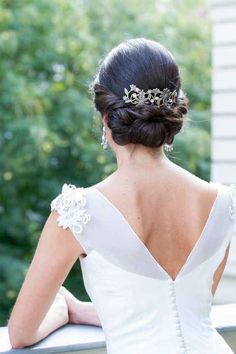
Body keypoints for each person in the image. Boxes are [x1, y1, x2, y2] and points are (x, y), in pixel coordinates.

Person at [8, 38, 236, 354]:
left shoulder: (77, 212)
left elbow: (20, 333)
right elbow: (183, 311)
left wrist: (63, 311)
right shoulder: (223, 202)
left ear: (106, 119)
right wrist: (83, 311)